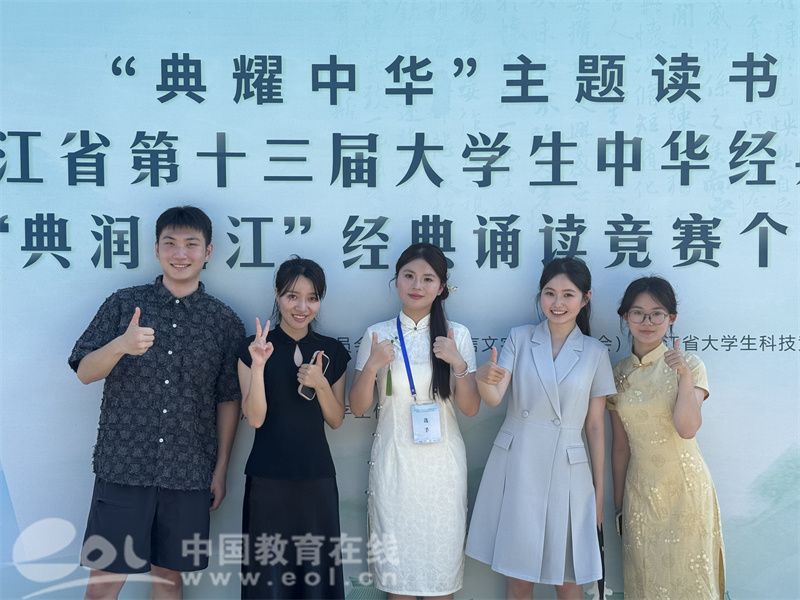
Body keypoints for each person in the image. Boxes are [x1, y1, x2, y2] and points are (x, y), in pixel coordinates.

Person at [68, 206, 244, 600]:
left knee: (169, 579)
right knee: (103, 583)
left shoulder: (223, 322)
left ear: (208, 251)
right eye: (170, 243)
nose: (180, 254)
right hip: (123, 468)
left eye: (191, 244)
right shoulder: (123, 305)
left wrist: (220, 470)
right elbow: (84, 371)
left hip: (188, 472)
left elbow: (228, 400)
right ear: (156, 249)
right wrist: (120, 345)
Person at [465, 257, 615, 600]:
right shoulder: (520, 338)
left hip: (568, 467)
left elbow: (595, 427)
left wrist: (598, 493)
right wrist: (483, 378)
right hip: (518, 462)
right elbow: (494, 397)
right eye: (549, 293)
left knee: (568, 578)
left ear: (586, 298)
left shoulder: (595, 352)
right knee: (518, 577)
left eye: (568, 295)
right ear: (540, 295)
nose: (557, 303)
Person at [349, 243, 480, 599]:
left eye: (427, 278)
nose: (417, 285)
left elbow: (470, 408)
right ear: (396, 280)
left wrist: (458, 363)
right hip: (395, 467)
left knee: (441, 582)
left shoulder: (456, 335)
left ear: (441, 286)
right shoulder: (377, 334)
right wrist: (373, 365)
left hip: (443, 472)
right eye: (408, 276)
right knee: (399, 584)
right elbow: (358, 407)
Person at [238, 257, 350, 599]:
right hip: (267, 481)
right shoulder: (253, 347)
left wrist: (321, 384)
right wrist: (259, 366)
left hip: (317, 479)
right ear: (277, 295)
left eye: (312, 298)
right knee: (267, 581)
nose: (302, 307)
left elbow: (336, 419)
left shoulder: (332, 351)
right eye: (292, 296)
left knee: (317, 580)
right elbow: (255, 418)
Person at [608, 276, 725, 598]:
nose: (647, 322)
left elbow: (687, 428)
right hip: (640, 492)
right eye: (638, 313)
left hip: (686, 489)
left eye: (657, 313)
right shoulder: (618, 374)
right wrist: (619, 504)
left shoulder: (691, 365)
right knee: (646, 580)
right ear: (625, 316)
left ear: (671, 318)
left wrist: (683, 376)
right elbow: (620, 447)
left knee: (691, 582)